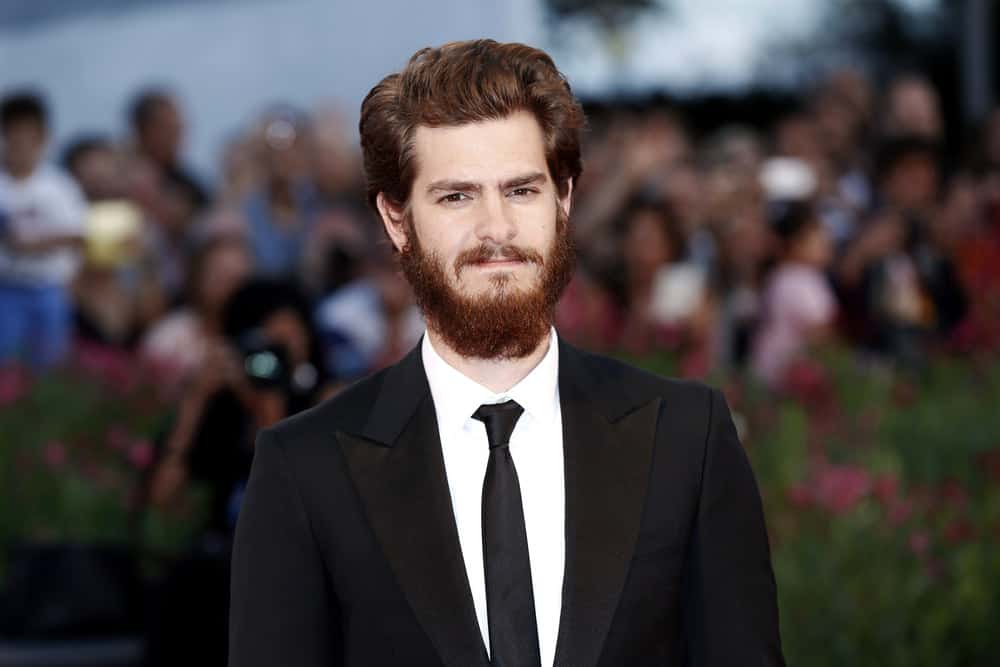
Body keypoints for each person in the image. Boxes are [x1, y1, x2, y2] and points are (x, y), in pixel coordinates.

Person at [230, 40, 784, 666]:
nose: (496, 228)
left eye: (521, 190)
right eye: (457, 197)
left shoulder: (687, 437)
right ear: (396, 219)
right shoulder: (307, 468)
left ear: (563, 198)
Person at [0, 91, 87, 370]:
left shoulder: (58, 186)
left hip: (48, 288)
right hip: (6, 288)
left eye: (28, 136)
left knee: (49, 367)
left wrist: (35, 242)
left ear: (43, 137)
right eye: (13, 135)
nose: (20, 144)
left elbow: (80, 234)